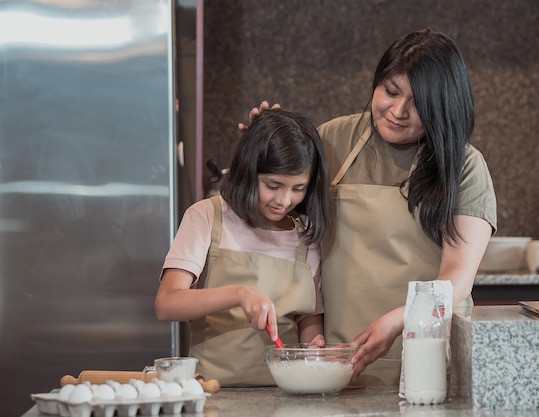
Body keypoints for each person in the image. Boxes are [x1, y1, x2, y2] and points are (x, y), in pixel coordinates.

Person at [241, 28, 497, 386]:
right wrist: (262, 153)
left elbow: (456, 280)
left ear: (443, 105)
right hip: (338, 360)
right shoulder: (331, 141)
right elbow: (275, 220)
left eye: (418, 103)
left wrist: (397, 320)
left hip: (428, 362)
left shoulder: (464, 167)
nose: (397, 111)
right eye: (390, 92)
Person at [155, 108, 332, 386]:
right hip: (212, 390)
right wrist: (239, 294)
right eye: (273, 185)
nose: (285, 200)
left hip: (285, 393)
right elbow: (167, 304)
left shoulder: (305, 235)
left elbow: (308, 317)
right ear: (248, 171)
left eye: (299, 188)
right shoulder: (206, 216)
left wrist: (313, 347)